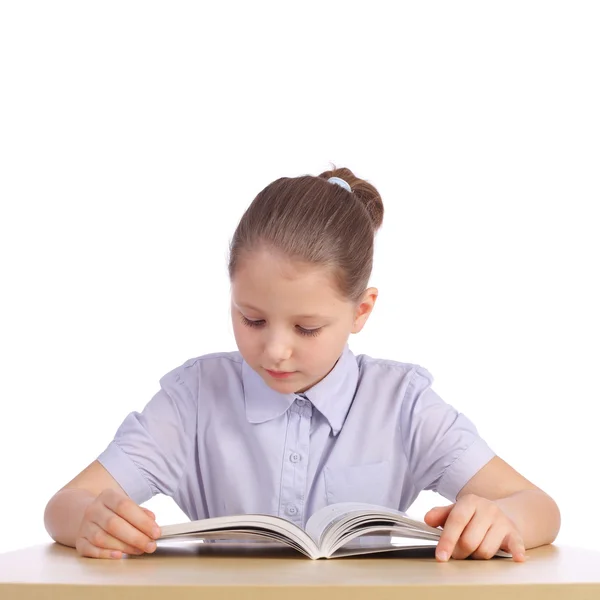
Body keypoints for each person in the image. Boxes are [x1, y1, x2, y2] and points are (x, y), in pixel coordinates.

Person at [44, 166, 561, 562]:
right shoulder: (193, 399)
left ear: (361, 311)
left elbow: (539, 507)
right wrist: (89, 517)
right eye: (251, 319)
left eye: (307, 329)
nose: (274, 351)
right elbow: (65, 504)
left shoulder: (401, 403)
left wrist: (499, 516)